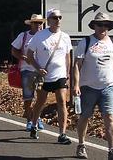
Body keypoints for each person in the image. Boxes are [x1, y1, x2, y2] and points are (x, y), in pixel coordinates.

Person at [73, 13, 113, 160]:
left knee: (109, 117)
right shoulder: (85, 42)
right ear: (94, 26)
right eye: (99, 24)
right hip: (88, 87)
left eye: (106, 25)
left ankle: (112, 150)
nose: (103, 27)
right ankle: (81, 145)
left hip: (108, 87)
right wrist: (76, 84)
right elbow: (77, 65)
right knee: (85, 116)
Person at [26, 8, 72, 144]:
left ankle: (62, 133)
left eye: (59, 17)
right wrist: (38, 68)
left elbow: (67, 56)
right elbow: (29, 54)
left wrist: (67, 73)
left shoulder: (65, 36)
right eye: (54, 17)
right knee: (40, 102)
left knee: (61, 102)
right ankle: (34, 124)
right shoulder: (40, 36)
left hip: (60, 75)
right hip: (44, 76)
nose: (57, 20)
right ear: (49, 20)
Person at [11, 14, 46, 131]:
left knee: (41, 96)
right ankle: (29, 120)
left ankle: (37, 118)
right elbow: (14, 50)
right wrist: (23, 57)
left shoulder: (45, 36)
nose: (38, 25)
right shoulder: (24, 36)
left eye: (40, 23)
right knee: (28, 97)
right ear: (31, 24)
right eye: (35, 23)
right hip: (27, 70)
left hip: (41, 70)